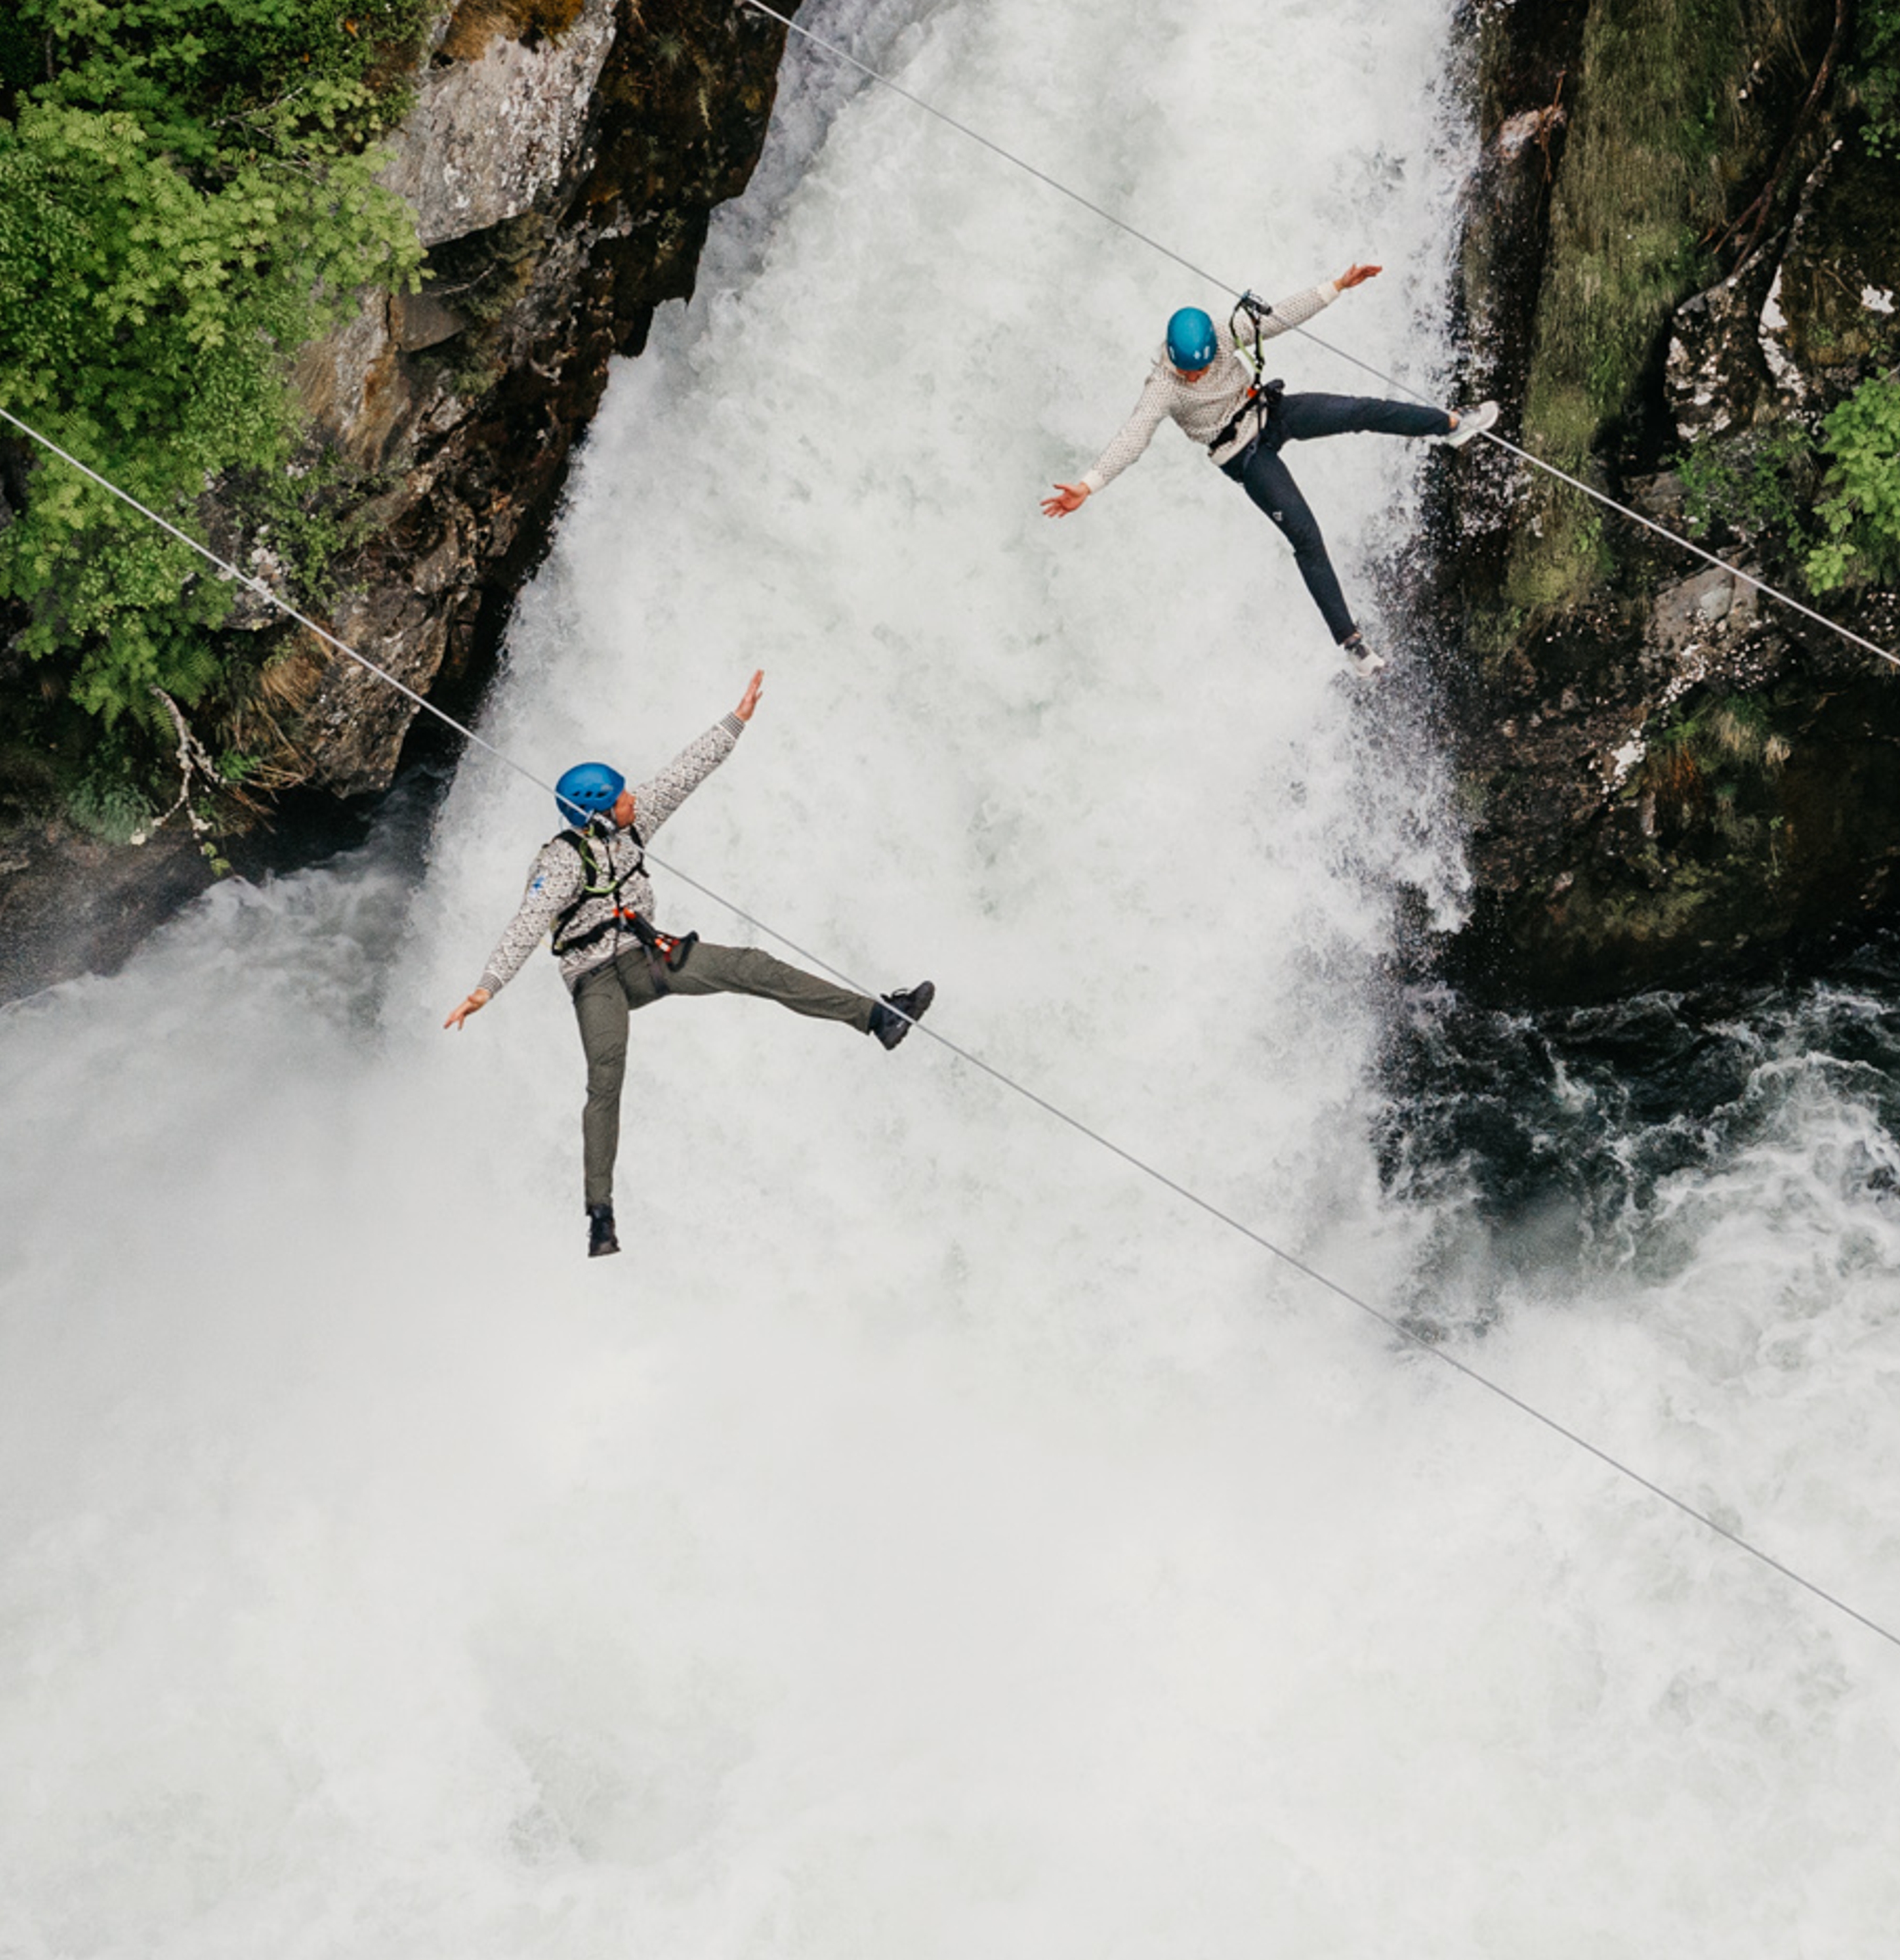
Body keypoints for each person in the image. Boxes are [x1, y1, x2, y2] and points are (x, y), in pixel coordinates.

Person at [444, 672, 934, 1258]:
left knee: (753, 967)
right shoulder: (561, 862)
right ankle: (600, 1215)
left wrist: (737, 720)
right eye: (622, 797)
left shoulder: (633, 821)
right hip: (595, 979)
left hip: (649, 957)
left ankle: (877, 1018)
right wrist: (486, 989)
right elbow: (527, 924)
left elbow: (684, 774)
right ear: (598, 812)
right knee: (606, 1078)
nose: (634, 799)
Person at [1040, 265, 1498, 674]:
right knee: (1306, 535)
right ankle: (1352, 643)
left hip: (1269, 412)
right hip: (1242, 455)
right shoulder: (1164, 386)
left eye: (1199, 370)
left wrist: (1336, 286)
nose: (1195, 378)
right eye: (1189, 373)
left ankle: (1453, 424)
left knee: (1361, 410)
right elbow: (1134, 434)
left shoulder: (1222, 333)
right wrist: (1088, 485)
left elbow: (1278, 318)